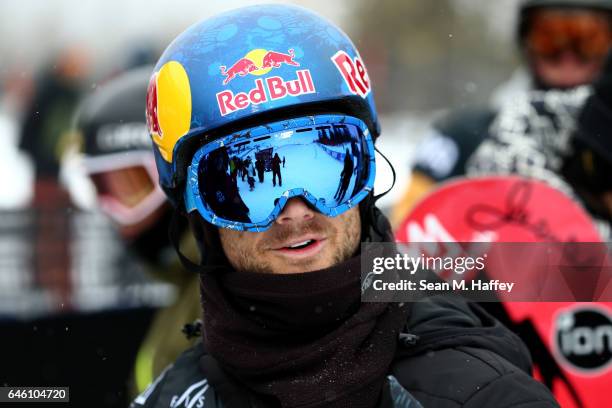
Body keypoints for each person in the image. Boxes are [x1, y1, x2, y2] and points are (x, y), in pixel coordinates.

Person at [132, 5, 558, 407]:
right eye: (251, 181)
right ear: (198, 212)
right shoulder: (173, 396)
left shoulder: (482, 391)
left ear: (367, 179)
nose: (295, 211)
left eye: (326, 168)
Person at [390, 0, 612, 227]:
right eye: (550, 39)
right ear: (526, 41)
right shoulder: (462, 137)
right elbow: (404, 234)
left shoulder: (606, 147)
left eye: (589, 40)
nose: (568, 56)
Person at [75, 66, 202, 394]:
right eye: (102, 189)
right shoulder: (180, 281)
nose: (116, 215)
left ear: (179, 177)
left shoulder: (221, 291)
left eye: (132, 186)